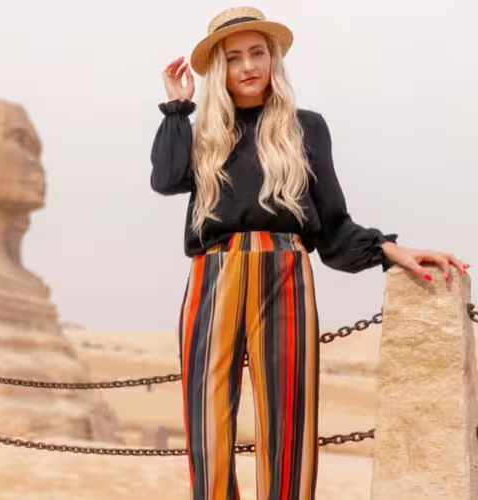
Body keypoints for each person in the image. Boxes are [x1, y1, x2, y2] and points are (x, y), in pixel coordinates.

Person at [150, 6, 470, 500]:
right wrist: (178, 109)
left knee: (289, 420)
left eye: (258, 53)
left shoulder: (306, 128)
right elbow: (166, 180)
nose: (248, 66)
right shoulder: (207, 135)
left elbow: (333, 224)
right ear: (220, 70)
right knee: (206, 420)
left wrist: (391, 250)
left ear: (274, 59)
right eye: (233, 58)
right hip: (214, 274)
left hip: (287, 271)